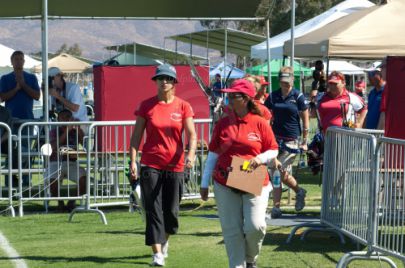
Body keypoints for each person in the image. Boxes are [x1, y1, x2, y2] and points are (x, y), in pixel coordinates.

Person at [200, 79, 278, 268]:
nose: (228, 99)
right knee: (232, 231)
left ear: (246, 99)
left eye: (233, 96)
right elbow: (213, 153)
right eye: (228, 95)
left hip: (254, 179)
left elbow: (273, 149)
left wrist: (259, 159)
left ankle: (250, 260)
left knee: (256, 226)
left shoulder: (260, 123)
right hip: (224, 181)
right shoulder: (223, 123)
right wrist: (204, 182)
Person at [129, 63, 197, 267]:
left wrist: (191, 155)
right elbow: (136, 137)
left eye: (168, 78)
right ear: (156, 81)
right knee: (153, 209)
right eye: (160, 78)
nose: (164, 82)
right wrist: (133, 161)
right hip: (151, 164)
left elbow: (192, 135)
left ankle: (164, 240)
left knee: (171, 212)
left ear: (174, 82)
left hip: (175, 166)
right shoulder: (146, 105)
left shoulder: (184, 106)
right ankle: (157, 254)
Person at [264, 66, 309, 219]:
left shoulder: (298, 96)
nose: (285, 84)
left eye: (288, 81)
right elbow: (265, 114)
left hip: (292, 141)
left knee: (278, 171)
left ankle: (277, 206)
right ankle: (297, 192)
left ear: (292, 80)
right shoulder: (273, 96)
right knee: (277, 172)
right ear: (279, 81)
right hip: (275, 139)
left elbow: (305, 118)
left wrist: (305, 140)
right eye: (283, 81)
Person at [0, 50, 41, 186]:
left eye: (21, 59)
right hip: (10, 122)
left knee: (26, 152)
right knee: (11, 152)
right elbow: (2, 97)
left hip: (27, 121)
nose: (19, 61)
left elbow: (37, 96)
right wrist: (16, 89)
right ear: (11, 62)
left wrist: (23, 85)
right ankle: (9, 182)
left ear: (24, 61)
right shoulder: (5, 79)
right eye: (16, 59)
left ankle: (25, 182)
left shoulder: (31, 78)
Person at [45, 109, 86, 212]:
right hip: (55, 162)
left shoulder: (75, 131)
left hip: (71, 163)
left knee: (84, 180)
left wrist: (79, 130)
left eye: (68, 117)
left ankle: (72, 202)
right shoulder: (54, 131)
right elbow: (53, 147)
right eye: (63, 117)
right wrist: (67, 131)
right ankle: (60, 204)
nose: (66, 119)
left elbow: (85, 145)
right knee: (52, 181)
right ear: (58, 119)